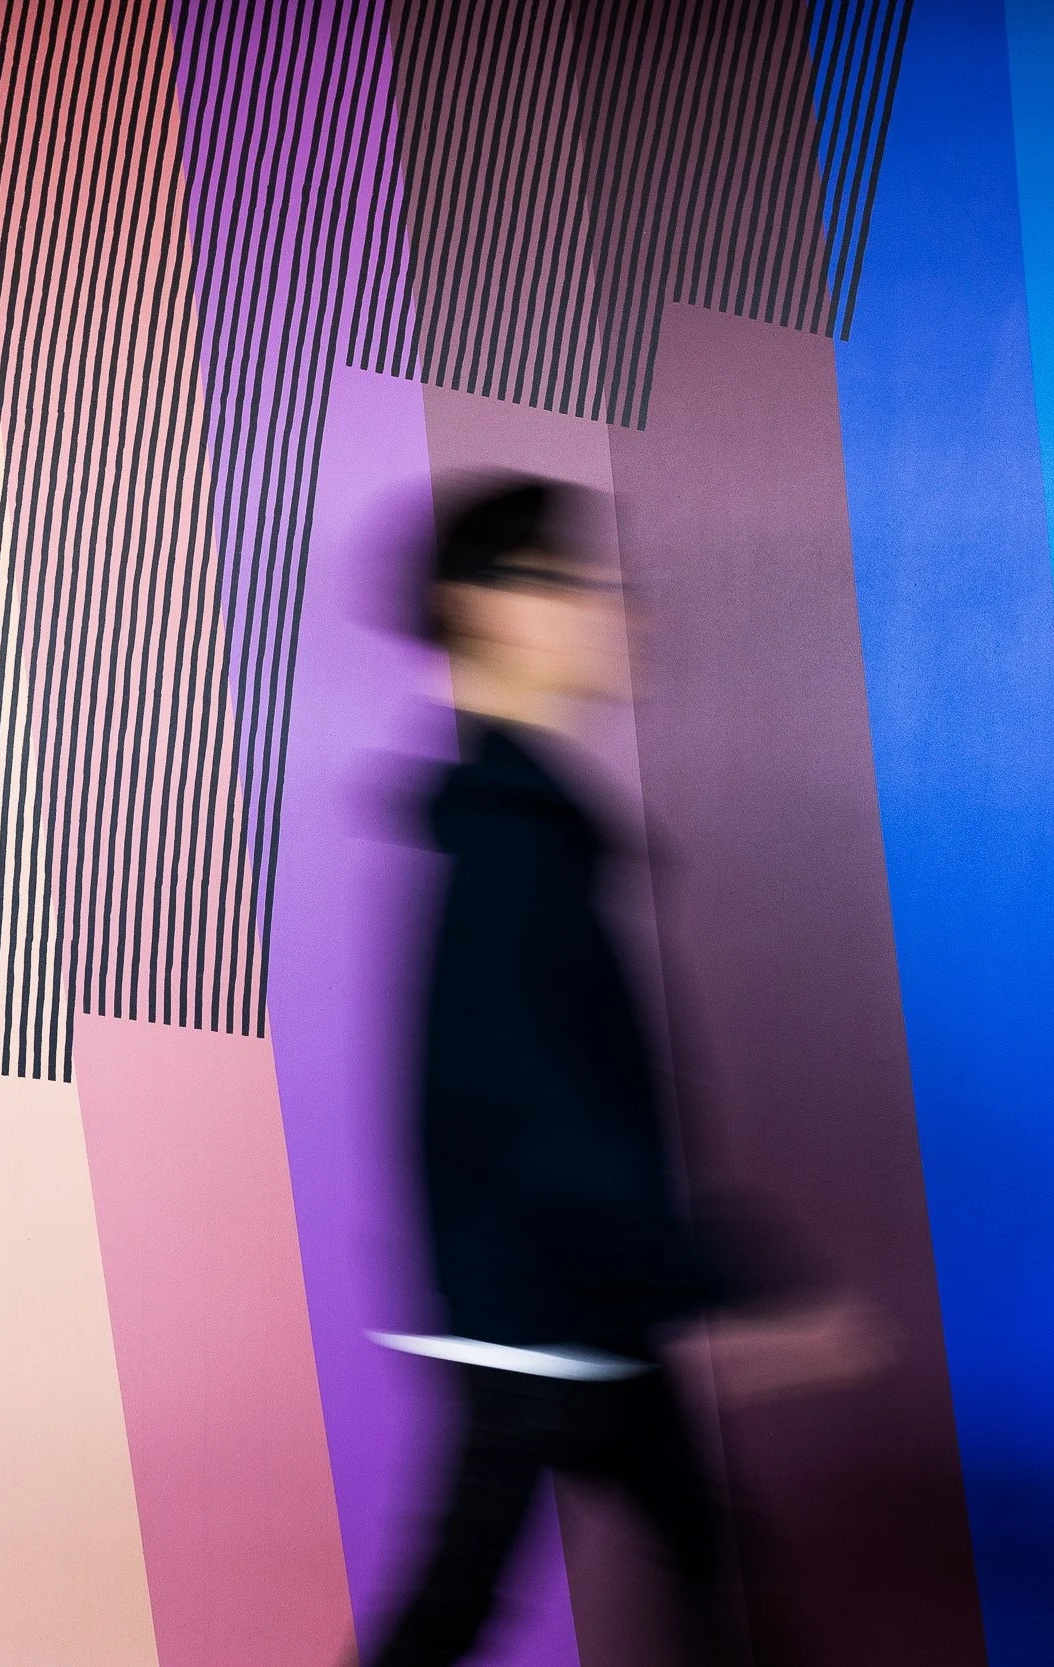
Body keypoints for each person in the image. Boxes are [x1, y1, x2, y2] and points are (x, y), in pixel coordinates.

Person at [363, 475, 741, 1666]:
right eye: (574, 585)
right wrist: (728, 1280)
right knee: (456, 1612)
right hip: (544, 1309)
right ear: (480, 607)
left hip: (568, 1301)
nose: (613, 611)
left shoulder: (520, 822)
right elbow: (549, 1114)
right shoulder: (512, 845)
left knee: (703, 1558)